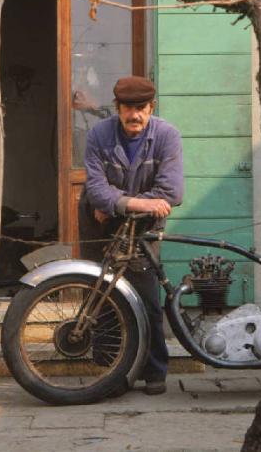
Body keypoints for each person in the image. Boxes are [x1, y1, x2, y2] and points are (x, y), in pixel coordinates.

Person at [78, 75, 184, 396]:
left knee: (147, 296)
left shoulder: (167, 136)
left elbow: (172, 192)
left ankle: (154, 371)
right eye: (128, 108)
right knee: (100, 291)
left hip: (144, 227)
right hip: (100, 224)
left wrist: (115, 203)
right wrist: (138, 202)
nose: (134, 115)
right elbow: (95, 190)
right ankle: (109, 369)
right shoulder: (99, 134)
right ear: (117, 108)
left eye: (141, 108)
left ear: (152, 108)